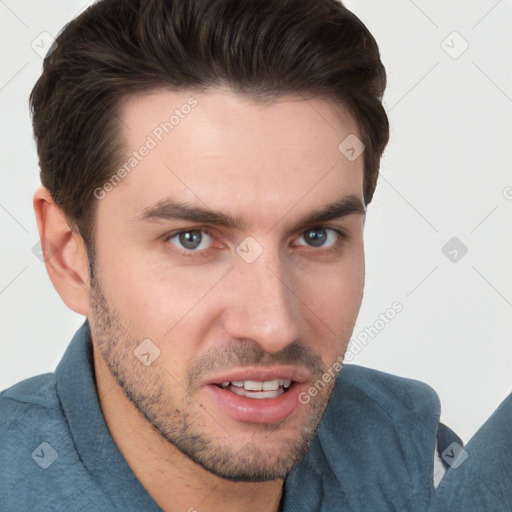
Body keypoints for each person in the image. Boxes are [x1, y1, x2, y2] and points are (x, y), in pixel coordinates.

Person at [0, 1, 444, 510]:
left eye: (317, 236)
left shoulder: (420, 464)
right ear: (67, 254)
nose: (273, 326)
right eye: (192, 239)